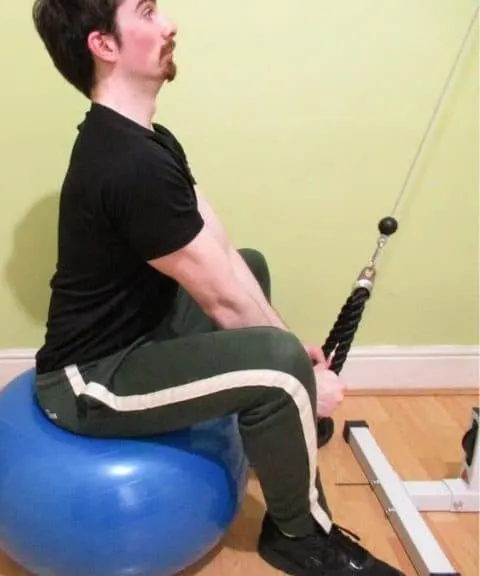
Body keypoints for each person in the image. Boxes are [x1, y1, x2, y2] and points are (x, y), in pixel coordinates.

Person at [28, 1, 404, 575]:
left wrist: (290, 348)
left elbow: (223, 260)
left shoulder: (149, 139)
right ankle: (301, 538)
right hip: (90, 383)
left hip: (142, 337)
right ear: (104, 45)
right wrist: (297, 378)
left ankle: (272, 426)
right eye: (148, 13)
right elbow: (220, 300)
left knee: (252, 270)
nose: (170, 24)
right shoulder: (128, 164)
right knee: (277, 368)